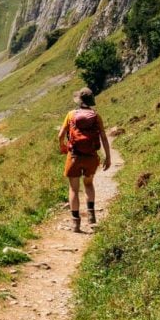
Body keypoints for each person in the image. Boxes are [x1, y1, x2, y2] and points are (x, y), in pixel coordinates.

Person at [57, 87, 111, 232]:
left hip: (74, 155)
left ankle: (76, 223)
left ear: (79, 101)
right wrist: (108, 157)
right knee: (88, 184)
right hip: (91, 157)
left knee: (74, 189)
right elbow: (104, 138)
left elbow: (60, 135)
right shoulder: (96, 116)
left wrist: (62, 147)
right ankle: (92, 216)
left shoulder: (70, 115)